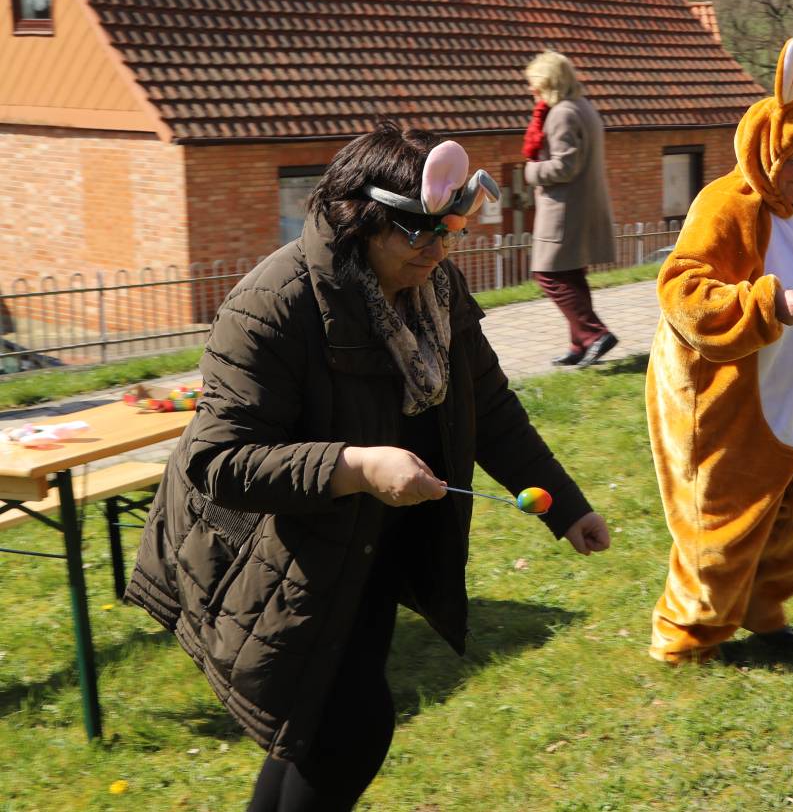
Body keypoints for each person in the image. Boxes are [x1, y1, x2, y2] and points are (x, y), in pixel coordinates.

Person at [125, 122, 610, 811]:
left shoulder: (435, 288)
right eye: (418, 233)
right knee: (351, 730)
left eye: (448, 233)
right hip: (267, 550)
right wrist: (354, 466)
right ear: (360, 219)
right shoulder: (275, 303)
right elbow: (219, 461)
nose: (437, 251)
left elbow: (490, 407)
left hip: (365, 540)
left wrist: (565, 504)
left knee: (318, 731)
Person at [646, 37, 793, 664]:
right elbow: (682, 289)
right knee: (723, 527)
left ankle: (762, 605)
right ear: (767, 150)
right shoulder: (725, 204)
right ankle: (685, 637)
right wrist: (767, 305)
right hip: (730, 400)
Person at [524, 51, 619, 367]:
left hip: (564, 209)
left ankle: (595, 334)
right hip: (580, 204)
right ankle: (579, 344)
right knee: (571, 276)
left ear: (549, 82)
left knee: (549, 275)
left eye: (535, 83)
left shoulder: (562, 114)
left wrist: (531, 171)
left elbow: (565, 166)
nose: (531, 89)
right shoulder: (582, 106)